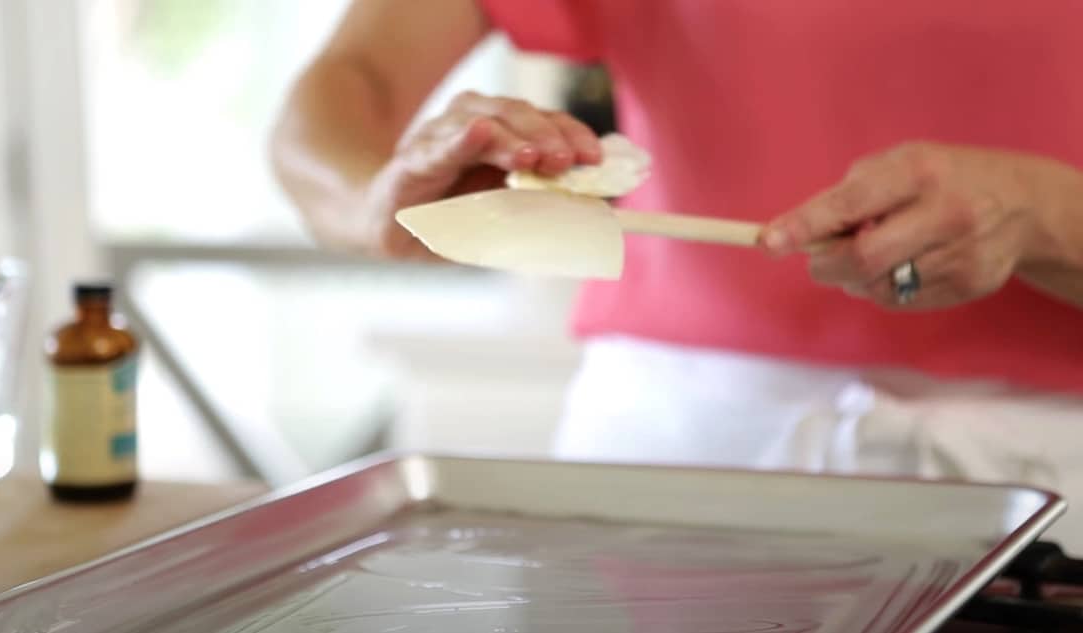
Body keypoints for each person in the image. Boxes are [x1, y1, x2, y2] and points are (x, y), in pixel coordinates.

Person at [271, 1, 1083, 547]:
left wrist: (1046, 212)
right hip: (672, 468)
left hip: (1056, 488)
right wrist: (380, 199)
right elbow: (347, 89)